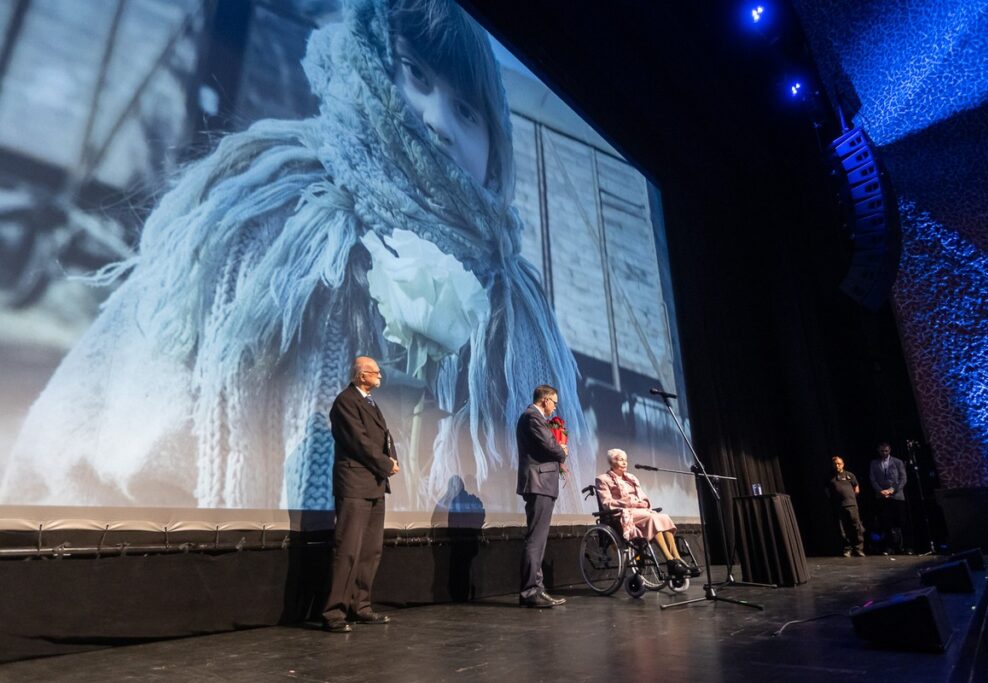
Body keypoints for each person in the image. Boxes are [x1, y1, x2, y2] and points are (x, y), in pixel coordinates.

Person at [1, 0, 591, 514]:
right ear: (370, 67)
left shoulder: (520, 313)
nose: (438, 121)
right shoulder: (261, 218)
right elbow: (82, 440)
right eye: (415, 73)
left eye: (467, 110)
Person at [321, 356, 400, 632]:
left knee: (370, 551)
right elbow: (359, 441)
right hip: (354, 484)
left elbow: (384, 437)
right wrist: (385, 463)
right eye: (374, 371)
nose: (379, 374)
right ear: (360, 375)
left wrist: (392, 459)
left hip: (374, 485)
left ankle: (361, 606)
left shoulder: (369, 401)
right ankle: (334, 613)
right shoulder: (345, 401)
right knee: (348, 551)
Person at [595, 449, 688, 577]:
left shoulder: (632, 478)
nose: (624, 463)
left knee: (663, 517)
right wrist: (627, 502)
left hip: (640, 511)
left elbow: (642, 496)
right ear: (611, 462)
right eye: (620, 459)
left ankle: (677, 558)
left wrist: (644, 502)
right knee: (652, 518)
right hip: (622, 513)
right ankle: (669, 560)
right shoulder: (602, 479)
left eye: (625, 460)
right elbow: (606, 503)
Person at [516, 384, 568, 608]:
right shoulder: (532, 417)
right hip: (539, 483)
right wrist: (562, 451)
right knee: (536, 539)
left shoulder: (534, 418)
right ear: (545, 400)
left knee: (539, 539)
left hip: (542, 483)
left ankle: (537, 588)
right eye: (554, 403)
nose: (555, 408)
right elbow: (551, 447)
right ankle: (530, 592)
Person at [869, 442, 909, 554]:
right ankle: (890, 547)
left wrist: (892, 490)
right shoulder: (874, 463)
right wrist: (880, 491)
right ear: (878, 451)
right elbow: (872, 479)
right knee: (886, 523)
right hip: (882, 497)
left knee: (901, 521)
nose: (884, 453)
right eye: (882, 451)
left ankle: (905, 546)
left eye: (886, 451)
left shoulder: (897, 462)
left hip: (897, 496)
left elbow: (903, 478)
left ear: (889, 450)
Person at [825, 456, 864, 557]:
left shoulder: (850, 475)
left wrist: (851, 498)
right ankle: (847, 549)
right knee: (842, 529)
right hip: (839, 506)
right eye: (835, 464)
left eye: (839, 463)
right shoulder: (830, 477)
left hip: (851, 505)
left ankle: (858, 548)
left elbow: (856, 487)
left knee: (856, 527)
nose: (837, 466)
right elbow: (827, 491)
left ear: (843, 464)